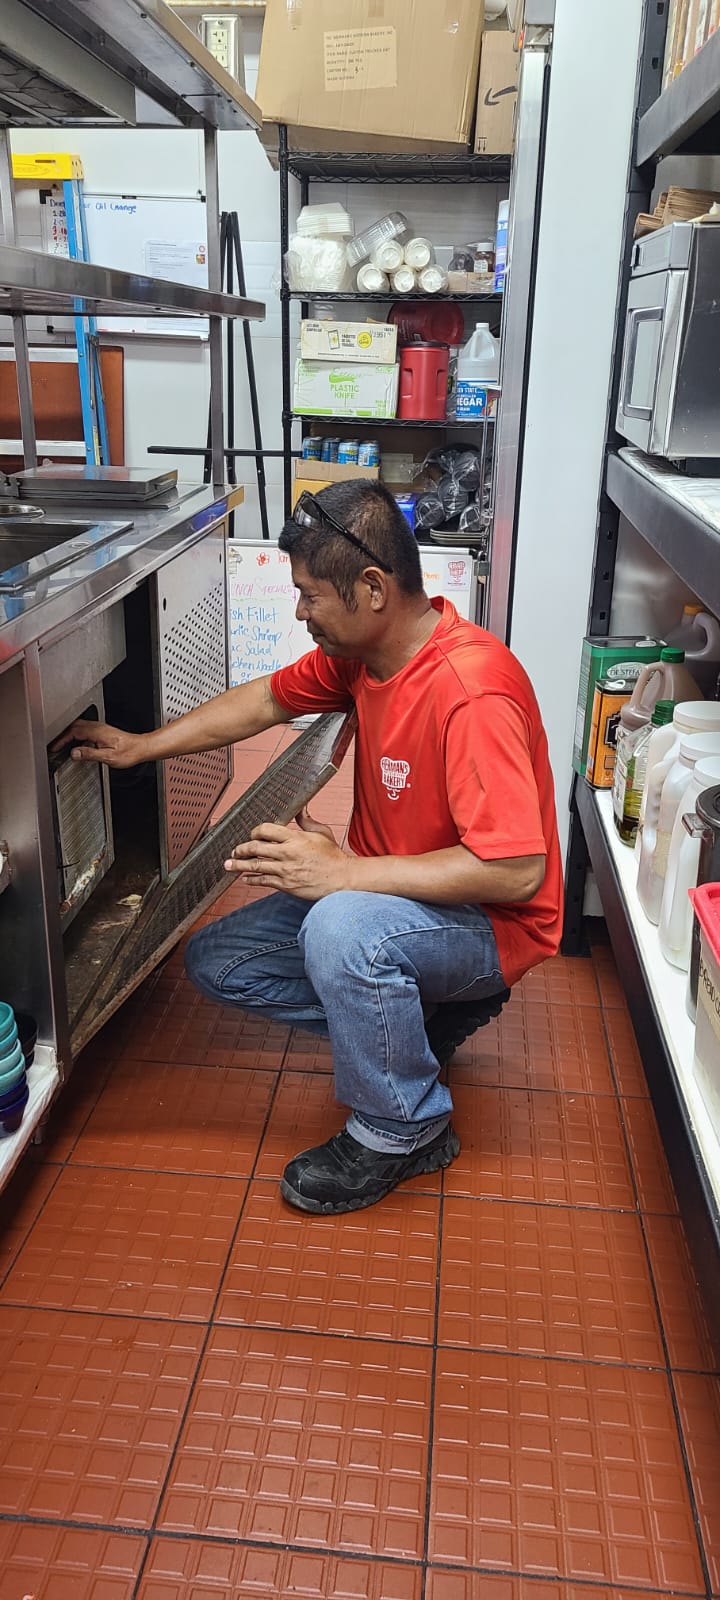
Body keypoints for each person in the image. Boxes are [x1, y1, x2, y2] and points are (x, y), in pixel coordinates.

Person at [67, 480, 563, 1214]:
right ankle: (413, 1026)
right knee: (219, 962)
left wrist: (345, 873)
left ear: (370, 588)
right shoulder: (365, 657)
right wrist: (143, 747)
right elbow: (266, 700)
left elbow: (517, 871)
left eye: (308, 596)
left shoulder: (469, 689)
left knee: (339, 929)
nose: (299, 614)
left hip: (489, 926)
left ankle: (404, 1127)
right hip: (389, 901)